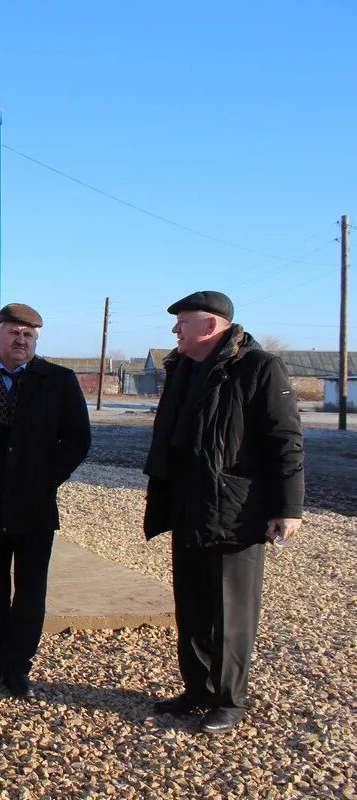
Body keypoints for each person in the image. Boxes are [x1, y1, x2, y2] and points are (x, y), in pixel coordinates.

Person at [143, 290, 304, 733]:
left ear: (211, 326)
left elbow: (285, 439)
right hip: (187, 505)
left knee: (231, 611)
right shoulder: (182, 368)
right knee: (191, 605)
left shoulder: (258, 367)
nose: (175, 330)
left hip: (235, 512)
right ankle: (197, 689)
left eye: (183, 322)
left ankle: (230, 699)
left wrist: (288, 507)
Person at [0, 304, 90, 698]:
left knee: (31, 587)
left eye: (29, 335)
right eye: (14, 332)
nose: (21, 340)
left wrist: (45, 478)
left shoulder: (59, 380)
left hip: (34, 505)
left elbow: (77, 439)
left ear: (36, 340)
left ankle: (19, 664)